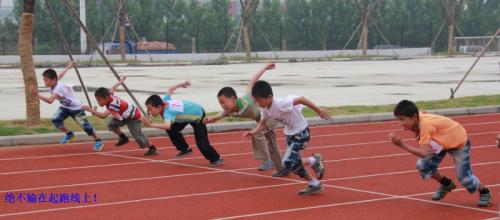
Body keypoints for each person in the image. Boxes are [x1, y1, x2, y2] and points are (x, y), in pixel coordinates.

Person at [389, 100, 491, 207]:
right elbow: (422, 111)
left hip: (458, 142)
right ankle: (447, 184)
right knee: (423, 165)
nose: (400, 123)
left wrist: (401, 145)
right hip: (440, 142)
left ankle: (484, 191)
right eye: (398, 120)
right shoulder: (417, 118)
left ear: (414, 117)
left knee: (464, 178)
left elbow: (424, 153)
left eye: (402, 119)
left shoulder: (425, 126)